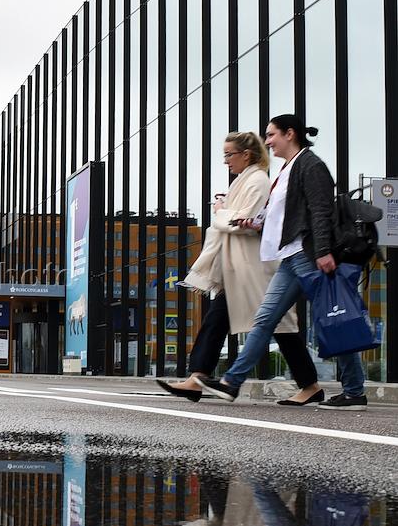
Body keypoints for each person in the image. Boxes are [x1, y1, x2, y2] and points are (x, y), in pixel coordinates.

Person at [196, 116, 368, 410]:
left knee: (333, 319)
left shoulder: (311, 165)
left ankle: (354, 392)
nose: (267, 142)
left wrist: (323, 251)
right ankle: (230, 383)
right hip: (289, 256)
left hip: (308, 255)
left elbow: (321, 211)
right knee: (265, 319)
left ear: (290, 134)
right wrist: (255, 223)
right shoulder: (288, 169)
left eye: (271, 135)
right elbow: (283, 215)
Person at [158, 131, 322, 406]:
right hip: (240, 267)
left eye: (229, 154)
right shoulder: (245, 180)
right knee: (218, 319)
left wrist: (220, 210)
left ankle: (310, 385)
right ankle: (197, 377)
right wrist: (226, 207)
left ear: (246, 154)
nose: (226, 160)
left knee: (282, 326)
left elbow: (247, 221)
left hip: (254, 267)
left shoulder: (257, 181)